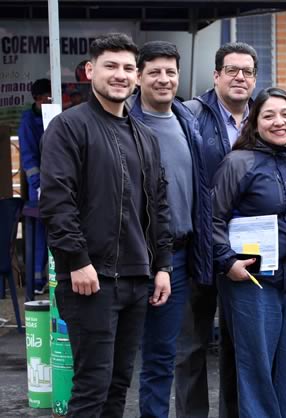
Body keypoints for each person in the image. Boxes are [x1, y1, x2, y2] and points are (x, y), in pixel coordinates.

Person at [39, 33, 172, 418]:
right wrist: (77, 260)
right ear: (90, 70)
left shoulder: (145, 136)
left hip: (137, 278)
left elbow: (158, 207)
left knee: (118, 387)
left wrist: (162, 266)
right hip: (91, 279)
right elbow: (56, 201)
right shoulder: (68, 127)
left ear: (137, 76)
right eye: (110, 66)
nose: (120, 75)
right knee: (92, 388)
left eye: (128, 68)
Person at [213, 87, 286, 418]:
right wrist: (227, 262)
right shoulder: (238, 162)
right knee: (256, 370)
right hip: (251, 282)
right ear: (254, 123)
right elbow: (213, 219)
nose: (279, 122)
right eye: (269, 115)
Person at [127, 41, 213, 418]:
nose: (164, 80)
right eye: (155, 72)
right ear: (138, 78)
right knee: (112, 360)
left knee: (162, 357)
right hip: (129, 257)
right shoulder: (124, 124)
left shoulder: (186, 121)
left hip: (176, 258)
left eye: (170, 72)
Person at [176, 41, 257, 418]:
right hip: (197, 247)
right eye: (232, 70)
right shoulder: (191, 115)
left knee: (237, 345)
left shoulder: (266, 116)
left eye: (247, 71)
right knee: (191, 347)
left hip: (248, 249)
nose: (240, 77)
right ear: (216, 75)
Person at [18, 78, 51, 294]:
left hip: (58, 182)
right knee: (39, 234)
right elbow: (29, 158)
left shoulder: (58, 115)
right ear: (36, 99)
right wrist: (38, 185)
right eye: (42, 99)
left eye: (48, 98)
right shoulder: (28, 121)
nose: (45, 102)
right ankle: (37, 282)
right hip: (38, 187)